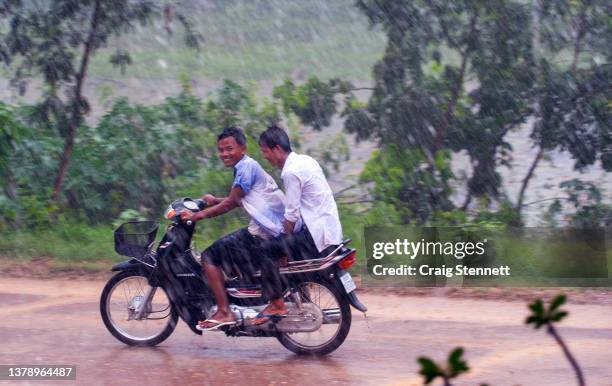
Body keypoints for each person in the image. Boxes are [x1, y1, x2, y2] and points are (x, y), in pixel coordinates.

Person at [181, 127, 287, 331]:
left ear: (243, 149)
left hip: (264, 233)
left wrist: (197, 216)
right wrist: (213, 201)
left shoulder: (245, 168)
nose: (224, 154)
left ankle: (224, 311)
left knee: (209, 256)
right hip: (274, 229)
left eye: (229, 148)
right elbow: (238, 200)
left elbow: (232, 202)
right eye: (220, 150)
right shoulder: (247, 167)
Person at [253, 125, 343, 325]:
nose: (265, 157)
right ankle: (299, 298)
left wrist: (284, 242)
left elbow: (291, 214)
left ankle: (276, 303)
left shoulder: (290, 172)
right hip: (330, 228)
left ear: (277, 149)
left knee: (267, 249)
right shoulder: (306, 160)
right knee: (285, 249)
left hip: (316, 234)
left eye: (265, 152)